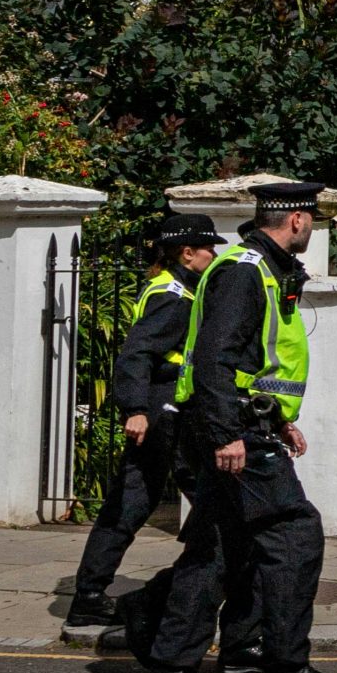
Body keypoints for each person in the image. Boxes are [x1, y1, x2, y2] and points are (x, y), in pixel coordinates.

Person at [140, 182, 337, 673]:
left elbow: (256, 362)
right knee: (294, 533)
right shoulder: (244, 272)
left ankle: (173, 667)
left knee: (218, 548)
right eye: (314, 219)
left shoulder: (267, 270)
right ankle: (285, 668)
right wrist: (227, 434)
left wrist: (278, 419)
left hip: (241, 421)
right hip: (229, 426)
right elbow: (216, 358)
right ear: (297, 221)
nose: (313, 228)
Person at [66, 214, 228, 630]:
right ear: (187, 252)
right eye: (209, 248)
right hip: (166, 410)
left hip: (164, 408)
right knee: (216, 495)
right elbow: (137, 352)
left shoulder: (180, 288)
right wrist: (135, 408)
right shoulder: (172, 296)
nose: (215, 253)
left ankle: (89, 594)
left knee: (131, 503)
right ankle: (192, 582)